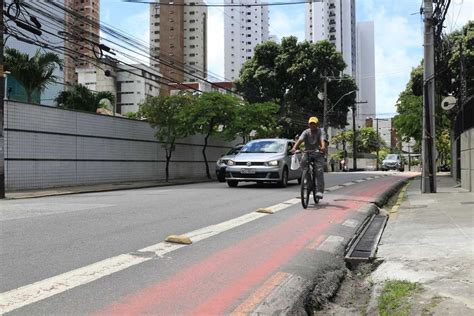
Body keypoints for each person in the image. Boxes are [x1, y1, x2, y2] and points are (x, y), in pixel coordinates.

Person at [291, 116, 325, 199]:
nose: (312, 125)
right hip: (307, 152)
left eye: (314, 124)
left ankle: (319, 191)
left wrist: (323, 147)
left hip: (317, 153)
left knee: (319, 170)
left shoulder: (320, 132)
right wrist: (294, 148)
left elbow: (322, 140)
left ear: (317, 124)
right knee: (303, 164)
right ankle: (309, 183)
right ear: (308, 124)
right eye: (311, 124)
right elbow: (299, 140)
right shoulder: (306, 132)